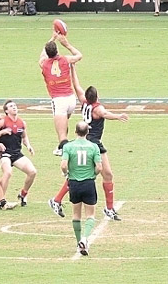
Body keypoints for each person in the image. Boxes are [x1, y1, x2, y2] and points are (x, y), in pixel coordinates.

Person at [49, 66, 128, 220]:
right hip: (93, 144)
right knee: (96, 175)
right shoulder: (97, 109)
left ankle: (57, 200)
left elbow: (76, 85)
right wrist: (118, 116)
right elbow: (105, 114)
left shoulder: (83, 101)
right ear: (97, 97)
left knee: (91, 175)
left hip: (86, 142)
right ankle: (108, 208)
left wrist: (73, 69)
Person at [61, 121, 102, 256]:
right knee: (90, 215)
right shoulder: (93, 147)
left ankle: (79, 242)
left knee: (76, 214)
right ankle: (85, 238)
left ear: (75, 132)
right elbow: (99, 167)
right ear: (87, 132)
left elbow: (63, 165)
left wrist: (67, 174)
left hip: (74, 183)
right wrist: (93, 174)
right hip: (89, 183)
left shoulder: (68, 146)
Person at [38, 32, 83, 156]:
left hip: (59, 100)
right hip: (71, 98)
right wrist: (66, 43)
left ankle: (65, 151)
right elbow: (79, 55)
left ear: (47, 54)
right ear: (57, 50)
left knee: (61, 133)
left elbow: (41, 56)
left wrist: (52, 37)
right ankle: (61, 147)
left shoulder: (44, 63)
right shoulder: (66, 59)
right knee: (64, 124)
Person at [0, 100, 37, 207]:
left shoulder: (22, 123)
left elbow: (24, 136)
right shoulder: (2, 122)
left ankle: (23, 194)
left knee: (32, 172)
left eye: (15, 105)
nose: (14, 107)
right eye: (11, 106)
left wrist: (28, 145)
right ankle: (1, 201)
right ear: (6, 111)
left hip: (16, 153)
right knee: (8, 172)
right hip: (4, 153)